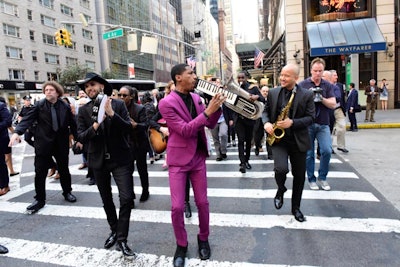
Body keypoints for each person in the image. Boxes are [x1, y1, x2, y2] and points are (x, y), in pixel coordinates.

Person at [158, 63, 224, 267]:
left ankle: (203, 238)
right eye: (191, 73)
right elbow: (185, 130)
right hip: (178, 160)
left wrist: (216, 106)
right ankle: (181, 245)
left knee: (203, 203)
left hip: (198, 157)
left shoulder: (197, 98)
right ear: (178, 78)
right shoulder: (166, 103)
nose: (195, 77)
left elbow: (210, 124)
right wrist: (207, 113)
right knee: (177, 207)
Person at [76, 72, 135, 257]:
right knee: (106, 199)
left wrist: (111, 114)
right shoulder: (83, 111)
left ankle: (122, 239)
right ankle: (115, 230)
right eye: (86, 87)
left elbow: (127, 128)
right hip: (98, 160)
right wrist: (95, 125)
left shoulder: (117, 104)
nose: (89, 89)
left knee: (126, 198)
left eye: (92, 84)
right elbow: (81, 137)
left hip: (120, 160)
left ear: (102, 86)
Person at [9, 81, 78, 212]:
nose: (48, 92)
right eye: (46, 90)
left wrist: (78, 139)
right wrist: (17, 133)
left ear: (57, 92)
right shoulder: (39, 106)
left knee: (63, 169)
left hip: (61, 144)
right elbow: (27, 120)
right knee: (40, 172)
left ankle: (67, 192)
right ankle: (39, 199)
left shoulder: (65, 106)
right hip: (43, 144)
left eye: (51, 90)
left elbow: (73, 124)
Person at [262, 63, 315, 222]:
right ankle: (281, 188)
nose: (282, 78)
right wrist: (266, 123)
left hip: (298, 141)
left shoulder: (306, 95)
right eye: (282, 75)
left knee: (299, 176)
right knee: (280, 169)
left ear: (296, 78)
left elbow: (311, 118)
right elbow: (265, 111)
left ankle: (296, 208)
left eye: (286, 76)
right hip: (279, 140)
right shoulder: (272, 92)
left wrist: (292, 122)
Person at [298, 57, 336, 191]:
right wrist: (309, 97)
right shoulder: (303, 85)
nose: (318, 73)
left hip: (323, 123)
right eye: (315, 71)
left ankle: (322, 177)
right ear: (311, 70)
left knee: (326, 150)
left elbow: (333, 104)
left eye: (320, 71)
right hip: (308, 123)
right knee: (309, 154)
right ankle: (311, 179)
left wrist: (321, 98)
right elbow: (297, 104)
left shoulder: (327, 85)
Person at [119, 85, 150, 204]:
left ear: (131, 97)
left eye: (124, 95)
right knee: (127, 172)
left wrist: (136, 125)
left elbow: (146, 125)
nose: (121, 97)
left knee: (142, 169)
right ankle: (130, 196)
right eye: (120, 95)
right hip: (125, 145)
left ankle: (145, 191)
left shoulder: (139, 108)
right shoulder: (117, 108)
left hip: (139, 144)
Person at [234, 71, 263, 173]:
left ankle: (246, 160)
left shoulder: (253, 88)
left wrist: (257, 97)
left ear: (246, 78)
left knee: (248, 141)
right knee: (241, 140)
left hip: (250, 119)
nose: (240, 79)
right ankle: (242, 163)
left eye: (242, 77)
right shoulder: (235, 89)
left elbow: (263, 99)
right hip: (239, 119)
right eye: (239, 78)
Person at [329, 70, 348, 153]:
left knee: (342, 126)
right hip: (330, 110)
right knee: (330, 129)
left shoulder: (340, 86)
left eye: (336, 75)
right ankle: (329, 146)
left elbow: (343, 98)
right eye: (334, 75)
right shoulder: (326, 85)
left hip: (339, 109)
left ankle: (341, 146)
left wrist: (345, 109)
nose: (336, 77)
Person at [0, 100, 12, 196]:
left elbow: (7, 121)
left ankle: (4, 185)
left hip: (1, 138)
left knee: (0, 162)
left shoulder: (1, 106)